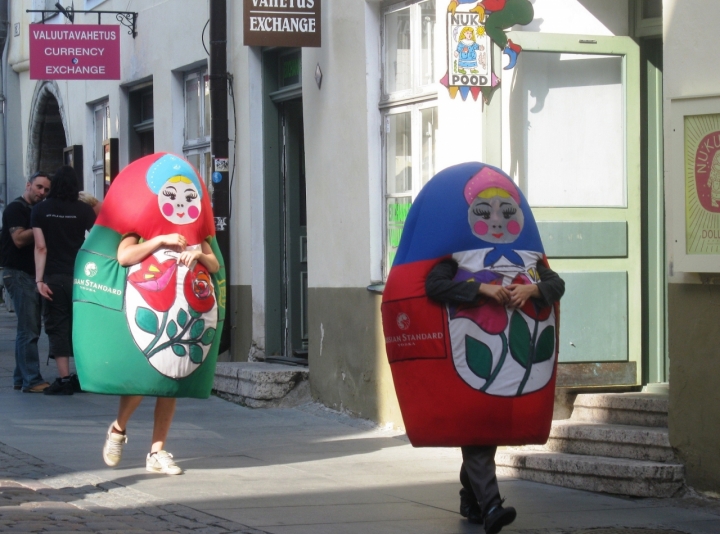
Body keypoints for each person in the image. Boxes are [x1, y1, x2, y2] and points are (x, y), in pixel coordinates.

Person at [424, 172, 565, 533]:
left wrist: (531, 292)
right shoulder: (456, 254)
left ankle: (470, 497)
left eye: (505, 212)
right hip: (471, 353)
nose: (497, 222)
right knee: (477, 429)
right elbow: (435, 285)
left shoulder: (527, 258)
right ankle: (491, 508)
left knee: (486, 428)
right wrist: (482, 290)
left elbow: (555, 282)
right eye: (485, 213)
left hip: (511, 356)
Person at [102, 230, 219, 475]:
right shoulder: (141, 226)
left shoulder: (194, 227)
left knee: (170, 382)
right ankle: (118, 428)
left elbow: (214, 265)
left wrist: (197, 253)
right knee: (141, 381)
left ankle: (157, 451)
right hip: (147, 307)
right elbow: (124, 256)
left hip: (182, 308)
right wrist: (160, 240)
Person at [32, 166, 96, 395]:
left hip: (54, 277)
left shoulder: (40, 210)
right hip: (80, 277)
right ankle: (85, 376)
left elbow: (41, 247)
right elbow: (98, 239)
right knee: (81, 326)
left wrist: (39, 280)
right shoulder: (84, 210)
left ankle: (64, 378)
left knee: (58, 326)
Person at [0, 171, 52, 392]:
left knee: (29, 327)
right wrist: (40, 226)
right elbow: (19, 239)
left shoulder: (35, 210)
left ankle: (20, 378)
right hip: (18, 273)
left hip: (29, 274)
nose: (42, 193)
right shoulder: (16, 208)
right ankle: (32, 379)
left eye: (46, 190)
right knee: (29, 329)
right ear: (29, 185)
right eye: (39, 187)